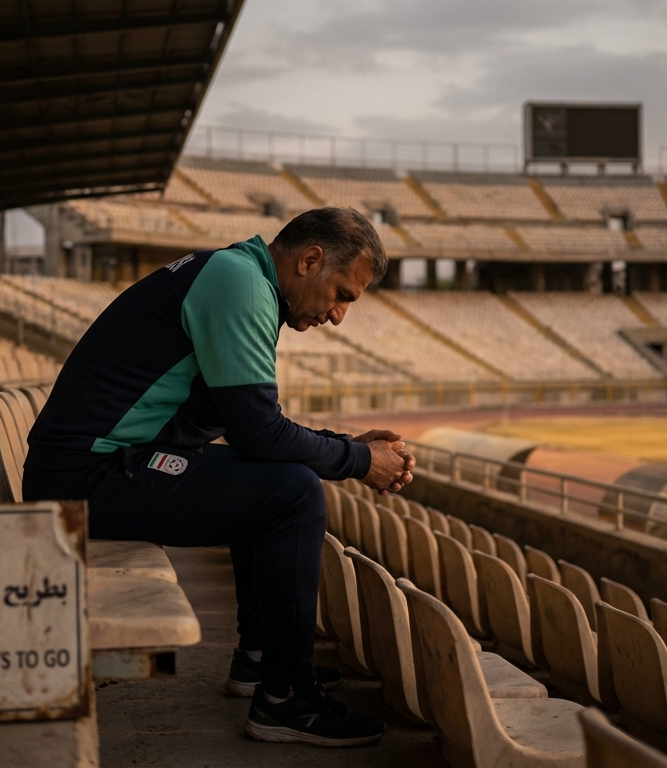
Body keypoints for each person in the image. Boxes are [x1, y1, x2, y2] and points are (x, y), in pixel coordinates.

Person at [22, 207, 414, 747]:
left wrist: (348, 446)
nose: (339, 314)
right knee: (293, 496)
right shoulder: (239, 284)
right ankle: (285, 699)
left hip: (101, 466)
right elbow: (260, 434)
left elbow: (251, 432)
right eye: (343, 294)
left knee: (277, 478)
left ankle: (261, 661)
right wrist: (361, 462)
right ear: (311, 260)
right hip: (85, 477)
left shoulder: (240, 275)